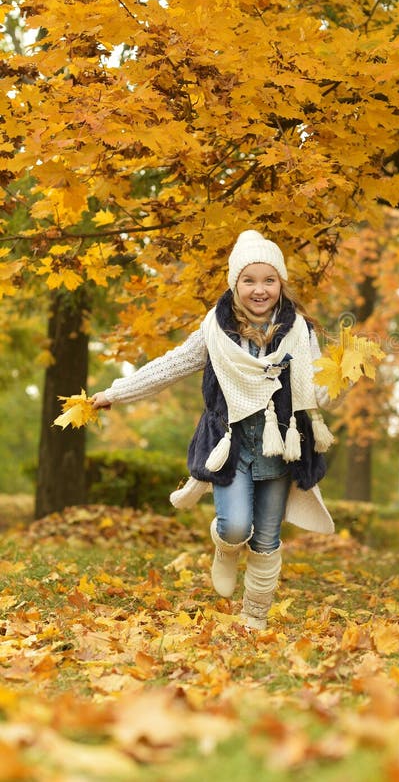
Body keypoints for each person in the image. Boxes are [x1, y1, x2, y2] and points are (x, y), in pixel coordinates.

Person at [91, 230, 335, 630]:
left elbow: (319, 393)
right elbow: (170, 366)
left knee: (267, 537)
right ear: (235, 283)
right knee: (236, 526)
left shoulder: (300, 331)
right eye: (249, 280)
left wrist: (343, 376)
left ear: (281, 283)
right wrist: (115, 393)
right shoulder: (215, 330)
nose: (259, 290)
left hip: (279, 447)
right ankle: (226, 545)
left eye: (269, 280)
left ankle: (254, 615)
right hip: (230, 445)